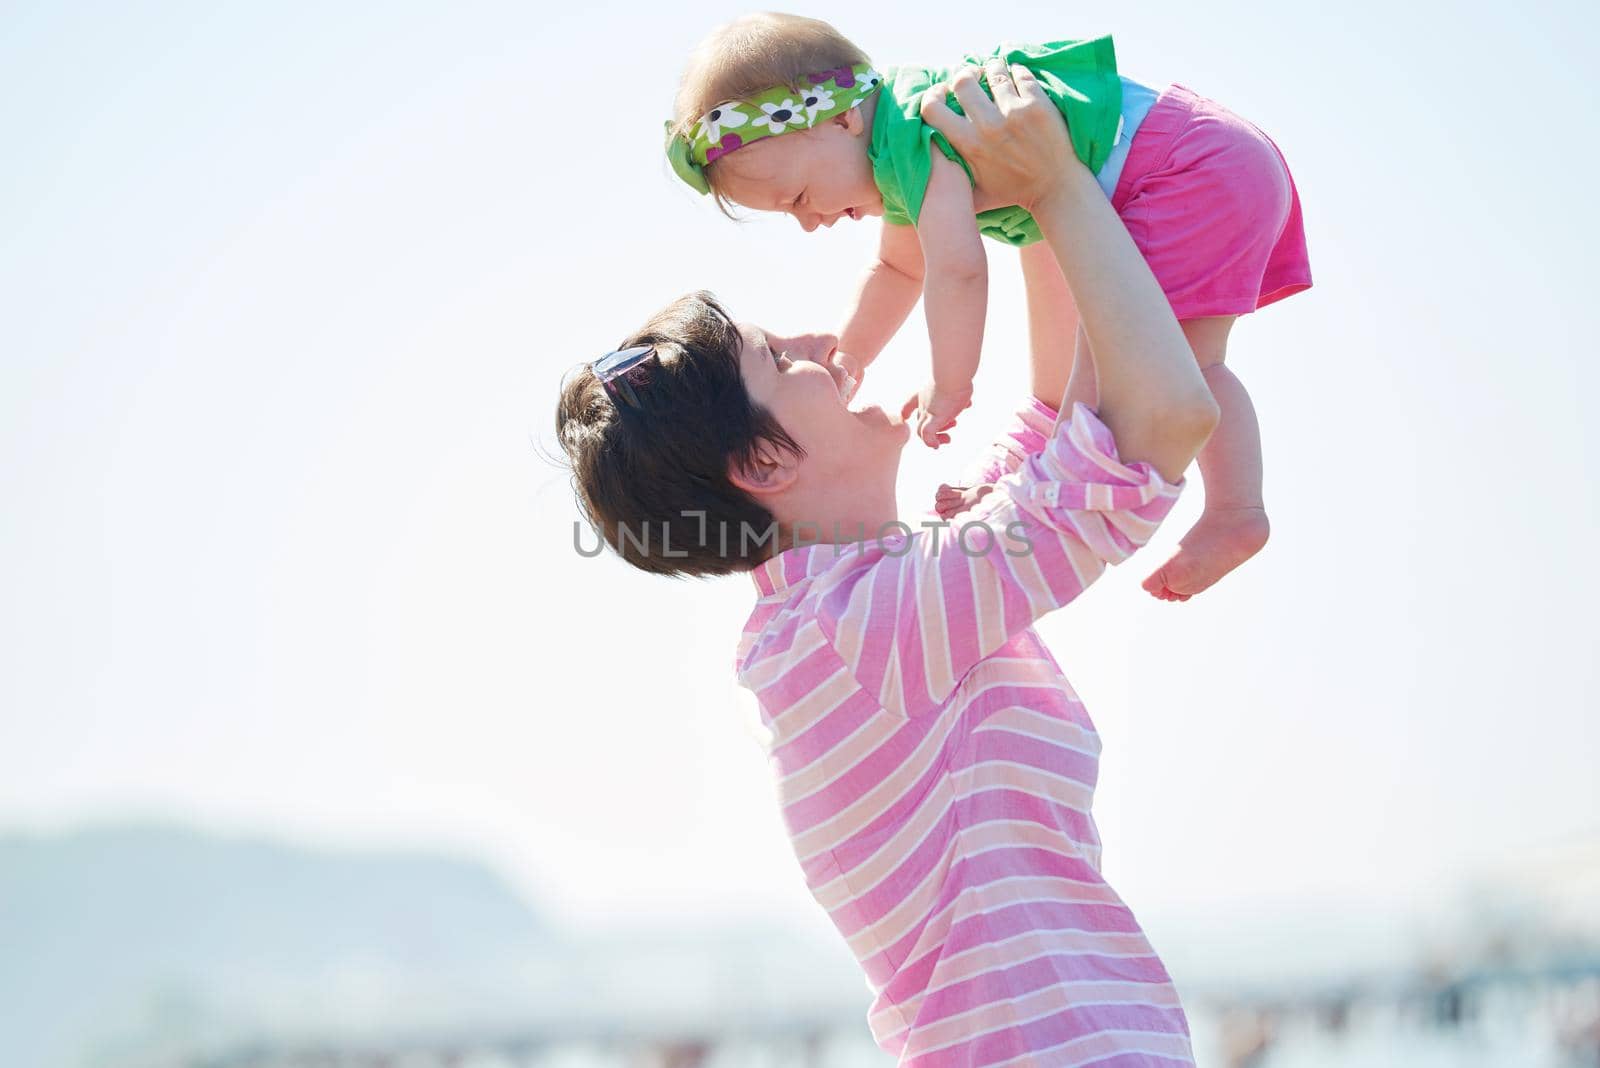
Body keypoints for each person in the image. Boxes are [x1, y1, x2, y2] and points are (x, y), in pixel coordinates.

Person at [559, 58, 1218, 1064]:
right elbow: (1156, 428)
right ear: (762, 462)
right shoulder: (857, 628)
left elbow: (1058, 424)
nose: (829, 342)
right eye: (783, 362)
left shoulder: (847, 610)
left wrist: (1023, 186)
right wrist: (1056, 187)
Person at [664, 12, 1311, 600]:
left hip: (1182, 171)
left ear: (841, 118)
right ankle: (1229, 509)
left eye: (800, 195)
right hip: (1209, 157)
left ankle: (1221, 510)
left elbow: (958, 269)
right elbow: (899, 267)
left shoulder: (922, 136)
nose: (811, 222)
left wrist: (950, 387)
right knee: (1177, 367)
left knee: (1128, 381)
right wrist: (847, 361)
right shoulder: (900, 140)